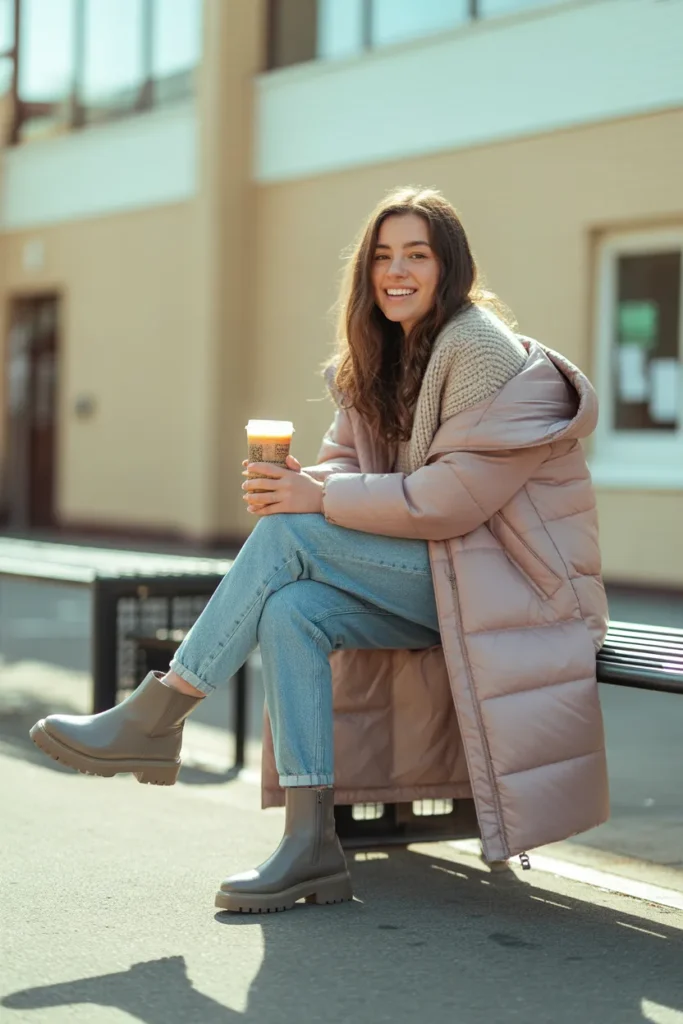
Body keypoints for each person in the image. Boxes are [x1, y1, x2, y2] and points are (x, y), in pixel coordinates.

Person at [30, 187, 609, 914]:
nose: (395, 272)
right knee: (295, 610)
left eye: (416, 256)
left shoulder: (483, 353)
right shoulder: (376, 358)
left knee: (288, 535)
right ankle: (310, 845)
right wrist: (305, 480)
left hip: (514, 589)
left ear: (449, 268)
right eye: (381, 257)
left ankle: (160, 713)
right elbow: (345, 467)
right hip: (440, 578)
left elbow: (450, 500)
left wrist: (313, 501)